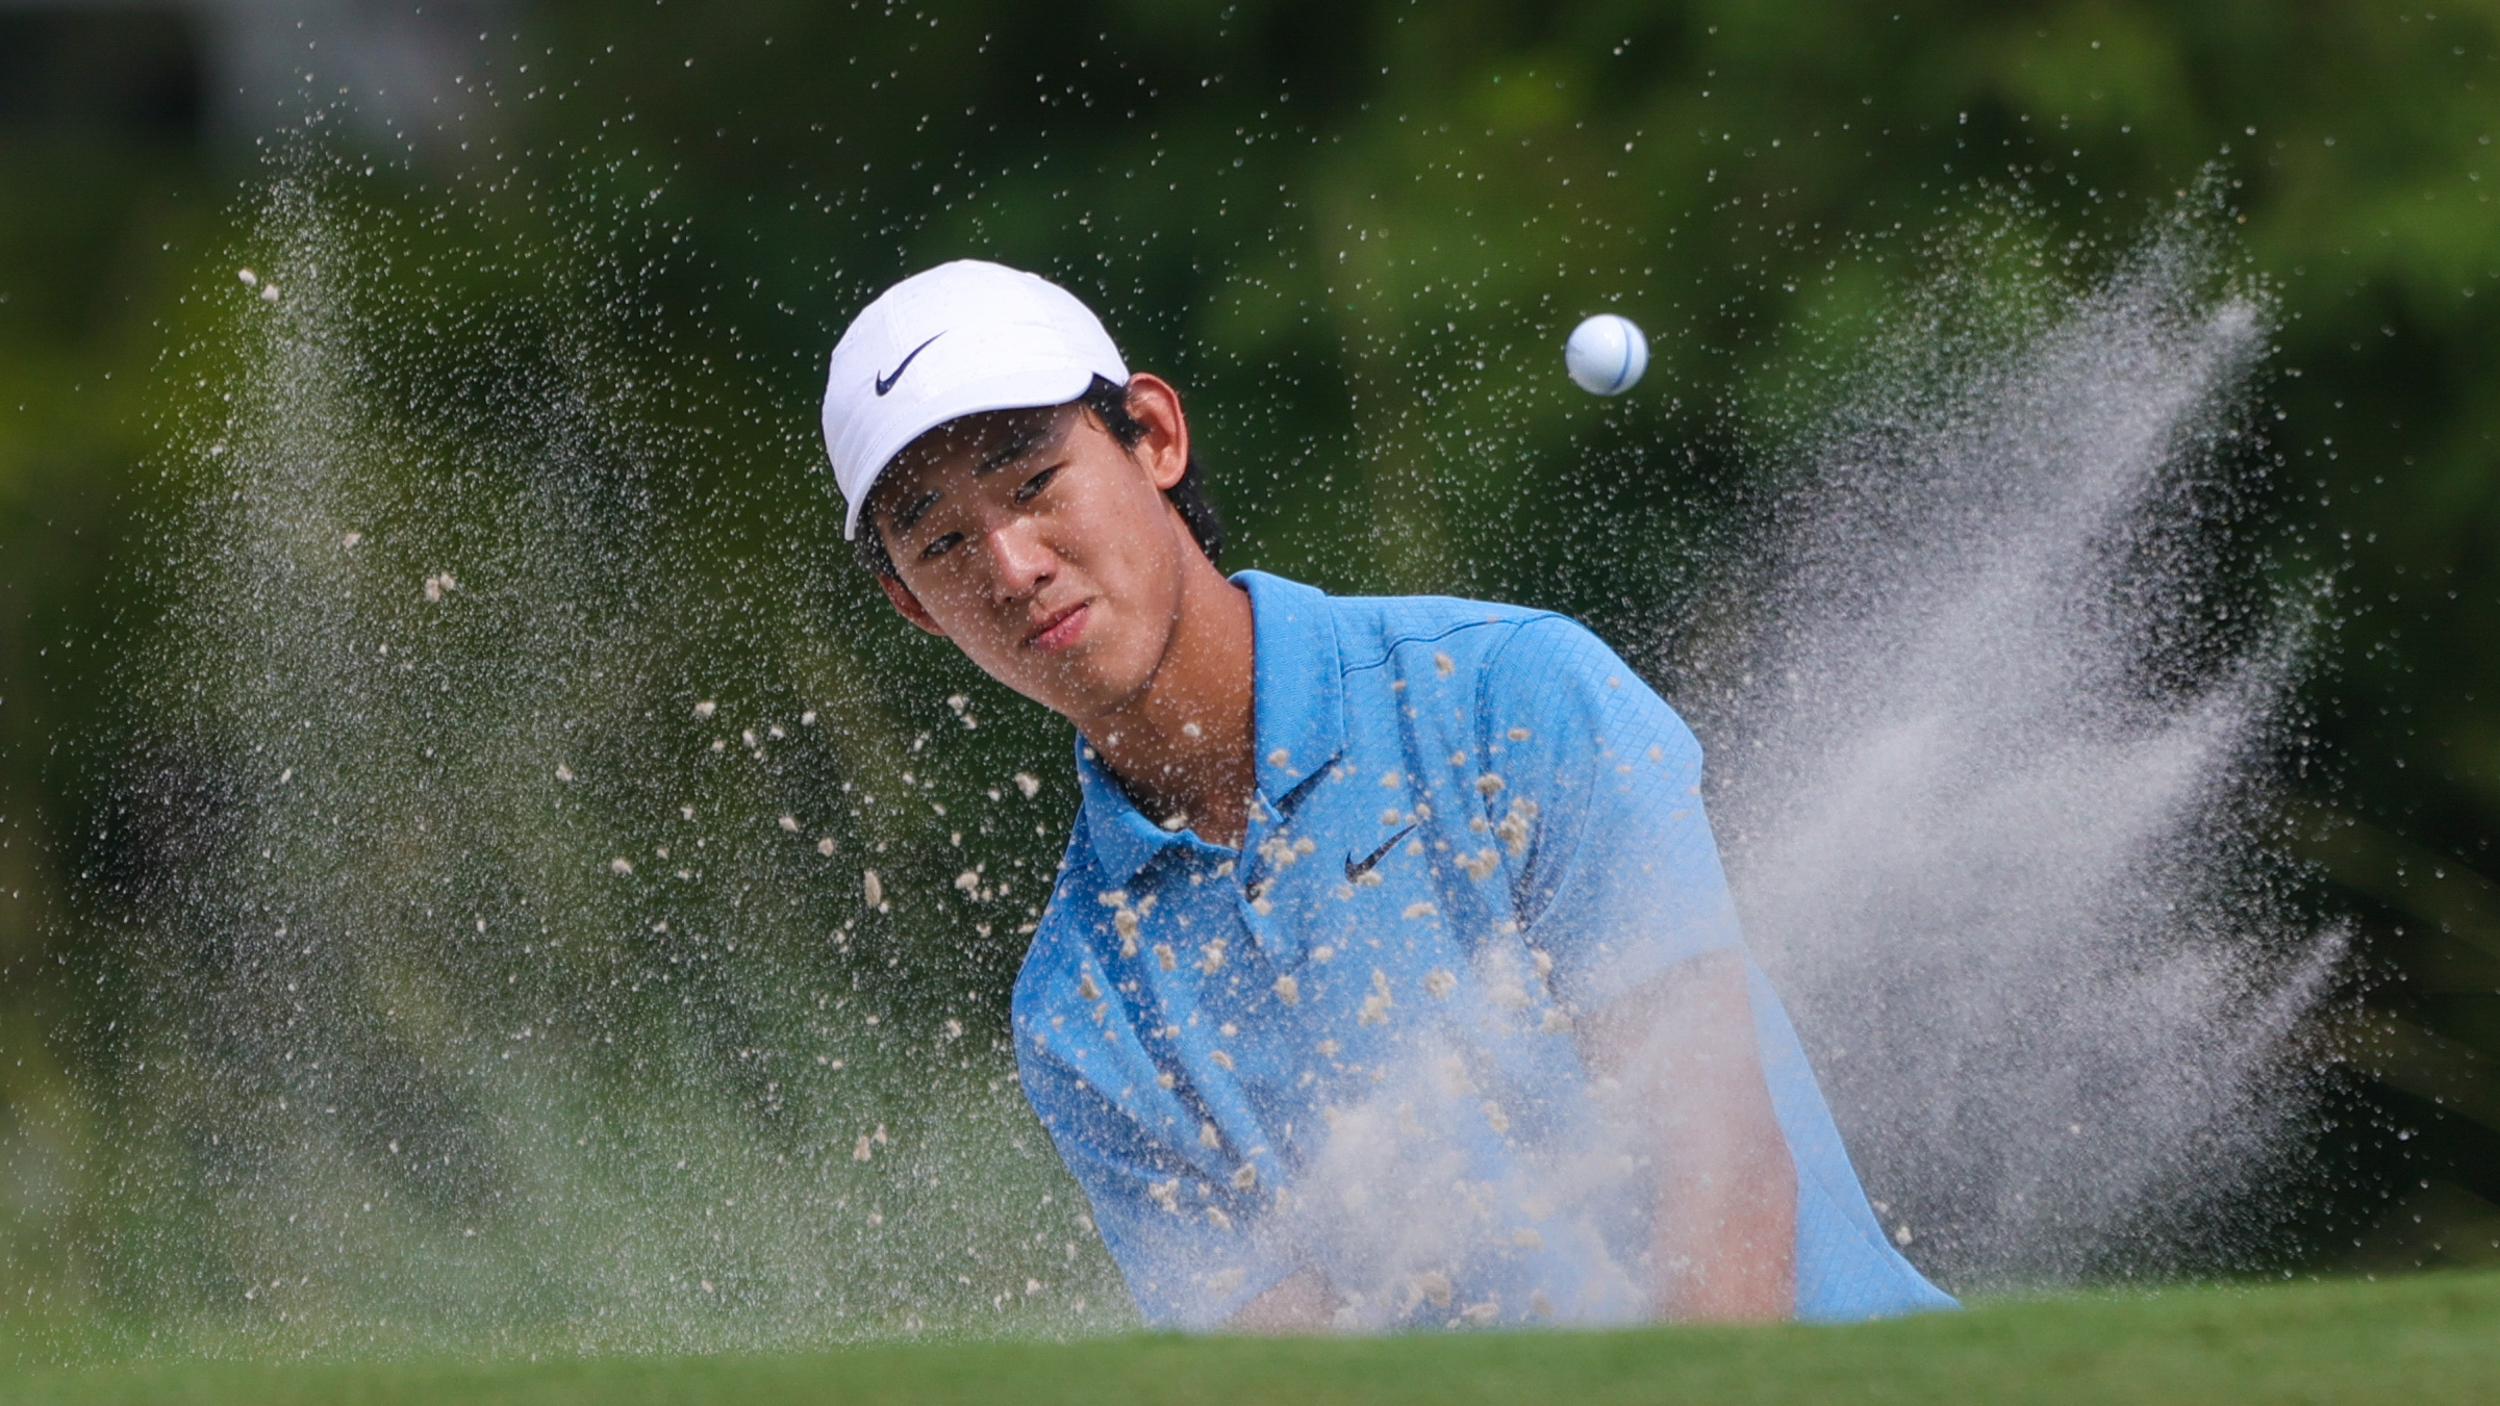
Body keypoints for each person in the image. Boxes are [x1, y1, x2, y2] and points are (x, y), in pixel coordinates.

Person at [819, 260, 1953, 1332]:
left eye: (1033, 482)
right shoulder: (1080, 1011)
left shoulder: (1507, 695)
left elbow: (1723, 1181)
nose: (1012, 565)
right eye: (945, 540)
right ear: (915, 604)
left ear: (1154, 436)